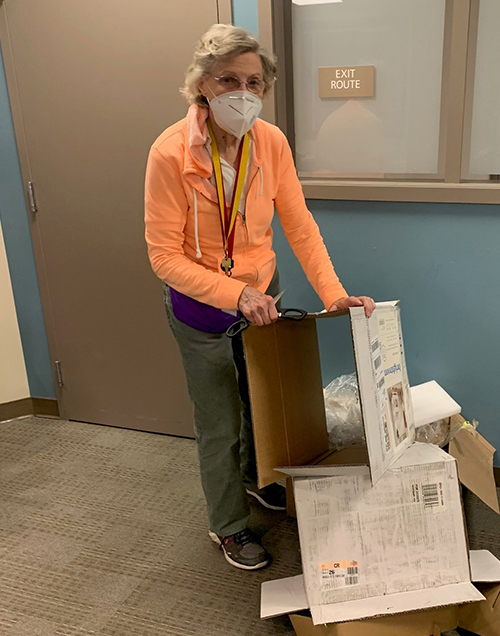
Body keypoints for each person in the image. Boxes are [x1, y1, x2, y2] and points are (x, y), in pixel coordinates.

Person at [144, 24, 375, 571]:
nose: (242, 93)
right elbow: (164, 257)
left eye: (254, 82)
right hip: (201, 309)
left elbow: (299, 225)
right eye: (228, 79)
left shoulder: (269, 142)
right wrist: (233, 292)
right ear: (203, 83)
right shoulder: (169, 154)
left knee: (259, 403)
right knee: (220, 422)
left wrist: (334, 294)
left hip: (260, 301)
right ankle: (226, 524)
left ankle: (254, 482)